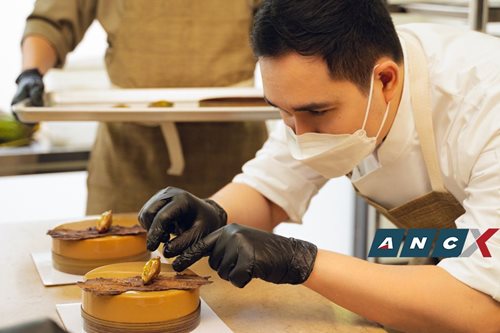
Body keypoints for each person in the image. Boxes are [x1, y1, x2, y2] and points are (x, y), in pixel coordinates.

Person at [138, 0, 500, 331]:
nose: (300, 132)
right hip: (462, 250)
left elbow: (482, 310)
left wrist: (301, 262)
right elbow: (268, 191)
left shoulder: (485, 108)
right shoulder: (313, 92)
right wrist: (213, 213)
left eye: (317, 112)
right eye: (282, 111)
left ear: (385, 80)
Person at [11, 0, 268, 214]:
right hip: (127, 161)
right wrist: (31, 73)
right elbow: (51, 19)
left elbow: (283, 22)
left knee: (233, 265)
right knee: (111, 266)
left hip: (235, 161)